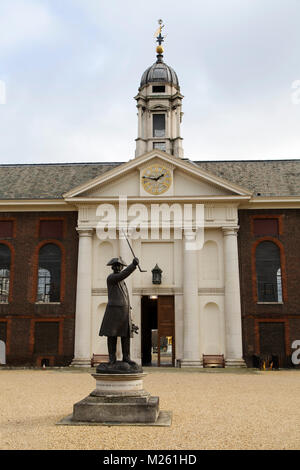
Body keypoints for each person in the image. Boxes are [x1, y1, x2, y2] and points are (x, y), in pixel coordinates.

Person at [99, 256, 139, 365]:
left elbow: (125, 296)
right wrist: (133, 265)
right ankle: (112, 358)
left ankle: (126, 357)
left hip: (124, 310)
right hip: (114, 310)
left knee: (126, 335)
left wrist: (129, 309)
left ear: (121, 267)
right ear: (112, 267)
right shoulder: (111, 278)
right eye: (115, 265)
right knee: (112, 335)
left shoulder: (122, 282)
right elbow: (123, 275)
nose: (118, 267)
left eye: (119, 265)